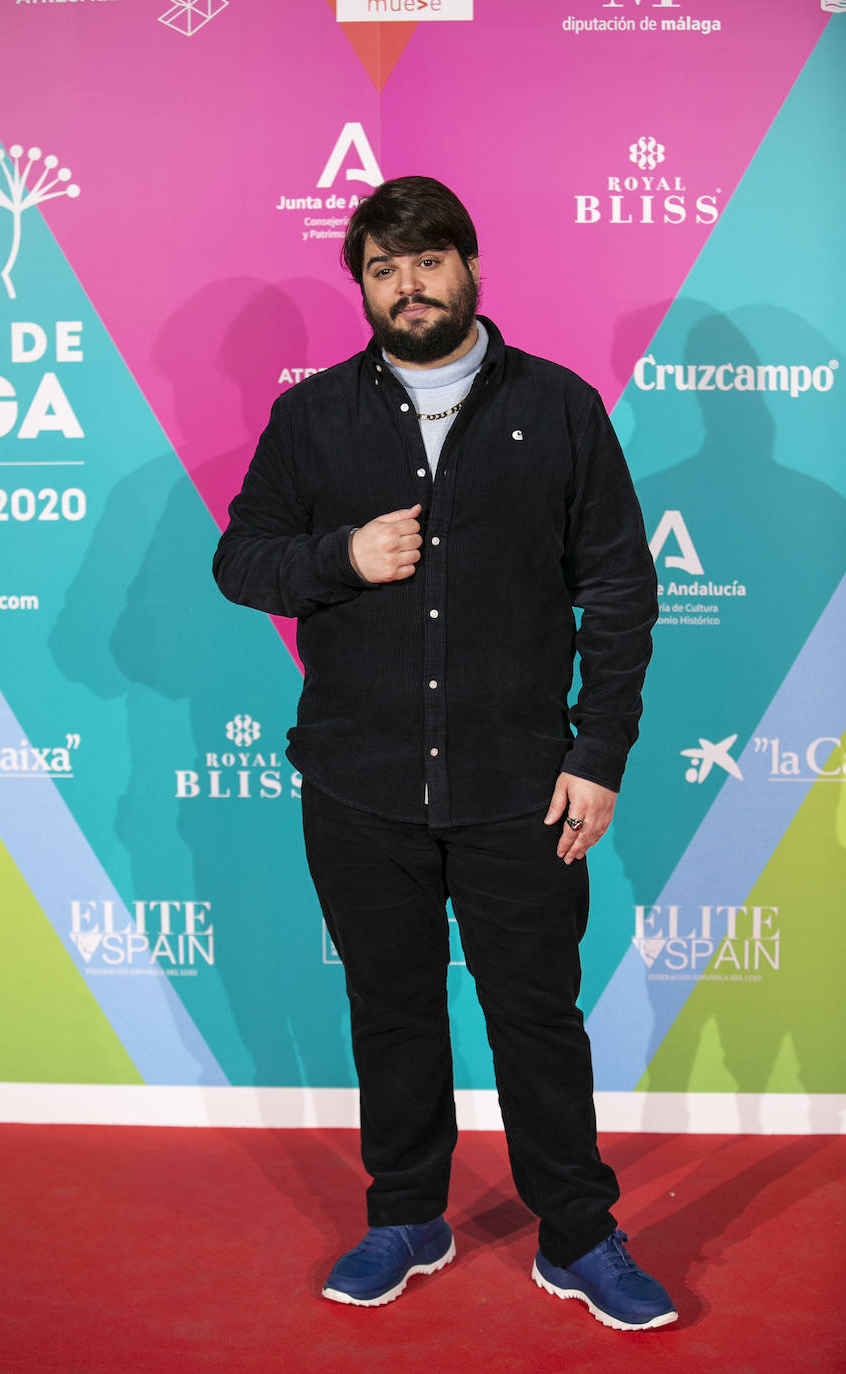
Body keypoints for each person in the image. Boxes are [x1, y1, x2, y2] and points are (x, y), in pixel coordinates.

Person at [213, 176, 676, 1331]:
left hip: (520, 781)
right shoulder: (312, 418)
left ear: (469, 267)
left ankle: (577, 1235)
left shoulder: (560, 409)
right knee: (392, 1006)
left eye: (426, 260)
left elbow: (618, 586)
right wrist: (340, 556)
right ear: (362, 285)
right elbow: (242, 561)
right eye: (382, 267)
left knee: (535, 1014)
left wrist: (600, 751)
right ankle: (407, 1213)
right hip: (359, 780)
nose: (407, 284)